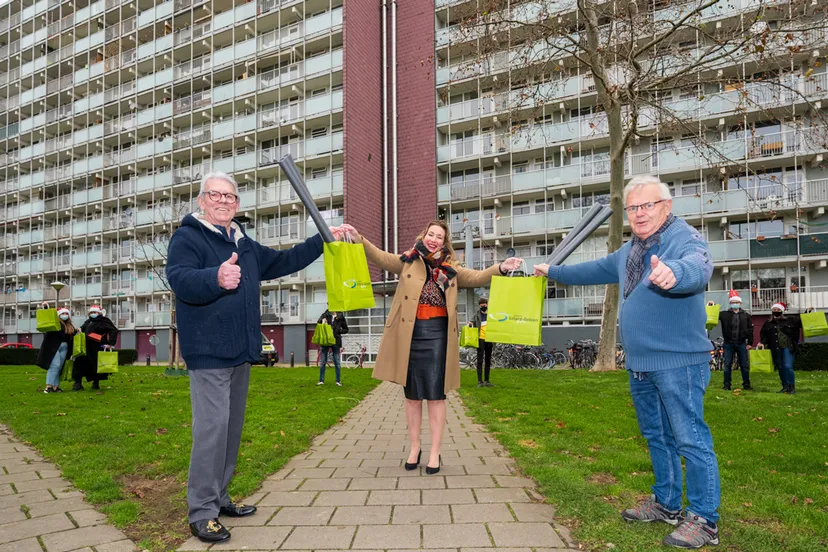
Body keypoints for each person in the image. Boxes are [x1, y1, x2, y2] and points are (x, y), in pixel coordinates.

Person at [534, 175, 720, 549]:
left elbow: (699, 266)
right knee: (657, 436)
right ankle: (667, 505)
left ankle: (704, 519)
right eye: (633, 208)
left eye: (646, 205)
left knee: (690, 439)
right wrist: (550, 270)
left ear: (666, 206)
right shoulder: (631, 250)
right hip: (641, 363)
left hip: (678, 362)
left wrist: (675, 273)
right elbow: (591, 270)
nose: (638, 213)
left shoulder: (683, 238)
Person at [166, 171, 347, 544]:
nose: (223, 202)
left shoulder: (243, 242)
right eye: (215, 195)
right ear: (201, 201)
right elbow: (180, 279)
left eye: (230, 197)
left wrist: (324, 239)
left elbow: (283, 261)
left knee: (230, 431)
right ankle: (201, 512)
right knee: (211, 430)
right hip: (209, 351)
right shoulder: (188, 237)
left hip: (240, 350)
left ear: (237, 205)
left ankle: (220, 498)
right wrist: (215, 277)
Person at [343, 221, 521, 475]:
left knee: (436, 395)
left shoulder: (451, 267)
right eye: (431, 234)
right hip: (410, 333)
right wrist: (357, 236)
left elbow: (476, 276)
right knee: (412, 395)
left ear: (444, 242)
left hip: (438, 333)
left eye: (439, 236)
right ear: (424, 235)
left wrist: (500, 268)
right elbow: (380, 258)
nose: (434, 239)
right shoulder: (408, 259)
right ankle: (415, 447)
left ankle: (435, 451)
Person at [73, 305, 119, 391]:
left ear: (99, 313)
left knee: (96, 366)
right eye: (91, 313)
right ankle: (78, 383)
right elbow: (82, 329)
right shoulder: (88, 321)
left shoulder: (105, 321)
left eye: (95, 312)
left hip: (98, 346)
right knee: (80, 363)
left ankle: (96, 383)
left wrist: (110, 343)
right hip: (85, 347)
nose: (92, 314)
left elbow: (113, 330)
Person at [759, 301, 801, 394]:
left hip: (788, 347)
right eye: (774, 309)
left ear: (782, 311)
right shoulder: (768, 323)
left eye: (778, 309)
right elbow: (764, 334)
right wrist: (762, 342)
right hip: (775, 348)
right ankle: (785, 386)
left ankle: (791, 387)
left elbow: (803, 321)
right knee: (781, 367)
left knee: (787, 366)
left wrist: (807, 312)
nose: (776, 311)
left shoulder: (791, 320)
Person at [36, 304, 76, 393]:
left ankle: (55, 386)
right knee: (55, 365)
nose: (65, 315)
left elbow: (72, 335)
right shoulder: (54, 323)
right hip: (53, 346)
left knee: (59, 367)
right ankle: (48, 386)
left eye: (66, 313)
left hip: (64, 347)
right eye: (63, 313)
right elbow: (47, 317)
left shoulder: (69, 326)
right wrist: (46, 308)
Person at [718, 290, 753, 391]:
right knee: (727, 364)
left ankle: (746, 384)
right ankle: (727, 385)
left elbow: (750, 329)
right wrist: (711, 305)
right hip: (728, 343)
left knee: (744, 365)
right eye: (733, 303)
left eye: (737, 303)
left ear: (740, 303)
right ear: (730, 303)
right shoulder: (724, 314)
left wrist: (750, 342)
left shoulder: (746, 316)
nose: (735, 304)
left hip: (741, 343)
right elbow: (713, 314)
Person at [317, 309, 348, 386]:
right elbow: (318, 322)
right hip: (326, 340)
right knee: (323, 361)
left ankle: (338, 381)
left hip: (335, 341)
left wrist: (338, 331)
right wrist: (322, 319)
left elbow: (346, 329)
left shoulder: (340, 317)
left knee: (337, 361)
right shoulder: (325, 314)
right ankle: (321, 380)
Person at [468, 297, 494, 387]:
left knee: (488, 360)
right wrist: (470, 323)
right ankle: (480, 381)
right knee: (480, 360)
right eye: (482, 303)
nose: (484, 305)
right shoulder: (477, 315)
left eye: (485, 303)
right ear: (479, 305)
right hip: (480, 339)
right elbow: (471, 321)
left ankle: (487, 380)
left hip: (489, 339)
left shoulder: (491, 315)